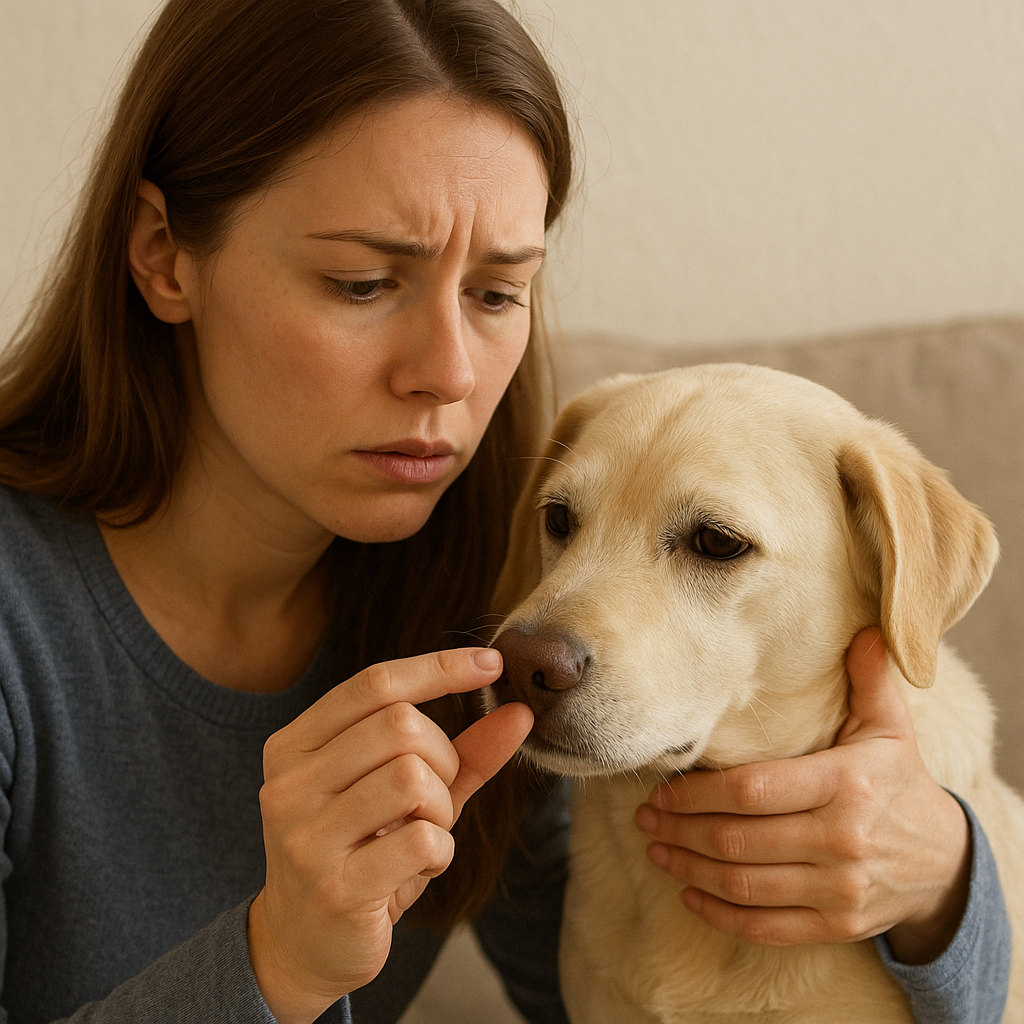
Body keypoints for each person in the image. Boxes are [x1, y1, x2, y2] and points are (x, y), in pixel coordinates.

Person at [0, 1, 1009, 1022]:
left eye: (495, 294)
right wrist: (279, 963)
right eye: (362, 282)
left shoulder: (486, 595)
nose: (448, 372)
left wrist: (938, 887)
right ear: (163, 253)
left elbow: (594, 985)